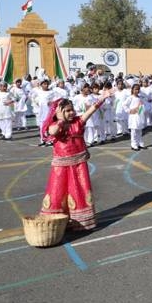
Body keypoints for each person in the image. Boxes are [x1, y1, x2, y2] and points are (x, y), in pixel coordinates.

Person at [39, 91, 109, 230]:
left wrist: (102, 98)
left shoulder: (78, 122)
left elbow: (91, 110)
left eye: (72, 110)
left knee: (79, 191)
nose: (71, 113)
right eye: (67, 111)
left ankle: (80, 222)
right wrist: (60, 119)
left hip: (78, 165)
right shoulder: (56, 125)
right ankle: (56, 222)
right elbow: (52, 132)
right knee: (58, 191)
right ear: (58, 112)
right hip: (61, 166)